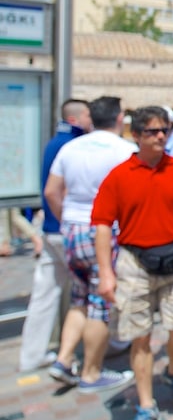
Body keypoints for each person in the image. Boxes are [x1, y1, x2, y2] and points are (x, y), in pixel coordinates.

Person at [93, 106, 173, 420]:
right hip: (134, 261)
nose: (160, 136)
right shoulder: (119, 175)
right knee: (139, 337)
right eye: (152, 131)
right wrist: (106, 273)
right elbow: (102, 225)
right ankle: (146, 404)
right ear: (136, 134)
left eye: (164, 130)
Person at [43, 96, 136, 392]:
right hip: (104, 231)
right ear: (119, 118)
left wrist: (66, 220)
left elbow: (51, 192)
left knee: (79, 297)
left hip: (71, 227)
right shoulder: (125, 151)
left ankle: (64, 358)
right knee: (100, 302)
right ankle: (91, 372)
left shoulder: (70, 148)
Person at [18, 99, 91, 372]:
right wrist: (66, 222)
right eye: (86, 115)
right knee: (90, 291)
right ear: (75, 118)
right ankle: (105, 346)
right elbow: (53, 191)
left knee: (44, 294)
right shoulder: (73, 146)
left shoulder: (53, 143)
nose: (90, 119)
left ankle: (31, 355)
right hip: (68, 230)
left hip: (50, 229)